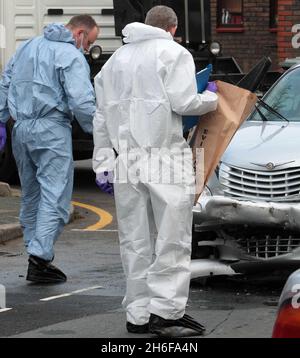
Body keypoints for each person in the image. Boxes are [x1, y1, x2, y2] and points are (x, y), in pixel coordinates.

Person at [93, 6, 218, 337]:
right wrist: (210, 99)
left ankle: (137, 315)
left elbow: (101, 116)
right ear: (173, 28)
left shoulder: (114, 61)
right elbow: (184, 103)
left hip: (126, 161)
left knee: (134, 241)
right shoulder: (174, 53)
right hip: (163, 157)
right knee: (172, 238)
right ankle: (167, 313)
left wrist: (103, 163)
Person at [0, 15, 99, 283]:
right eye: (89, 42)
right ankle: (40, 258)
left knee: (31, 193)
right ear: (79, 32)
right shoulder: (70, 56)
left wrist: (0, 119)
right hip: (51, 130)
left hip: (20, 129)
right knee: (55, 196)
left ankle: (34, 248)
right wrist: (99, 132)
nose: (87, 48)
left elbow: (5, 82)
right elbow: (81, 101)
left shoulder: (27, 46)